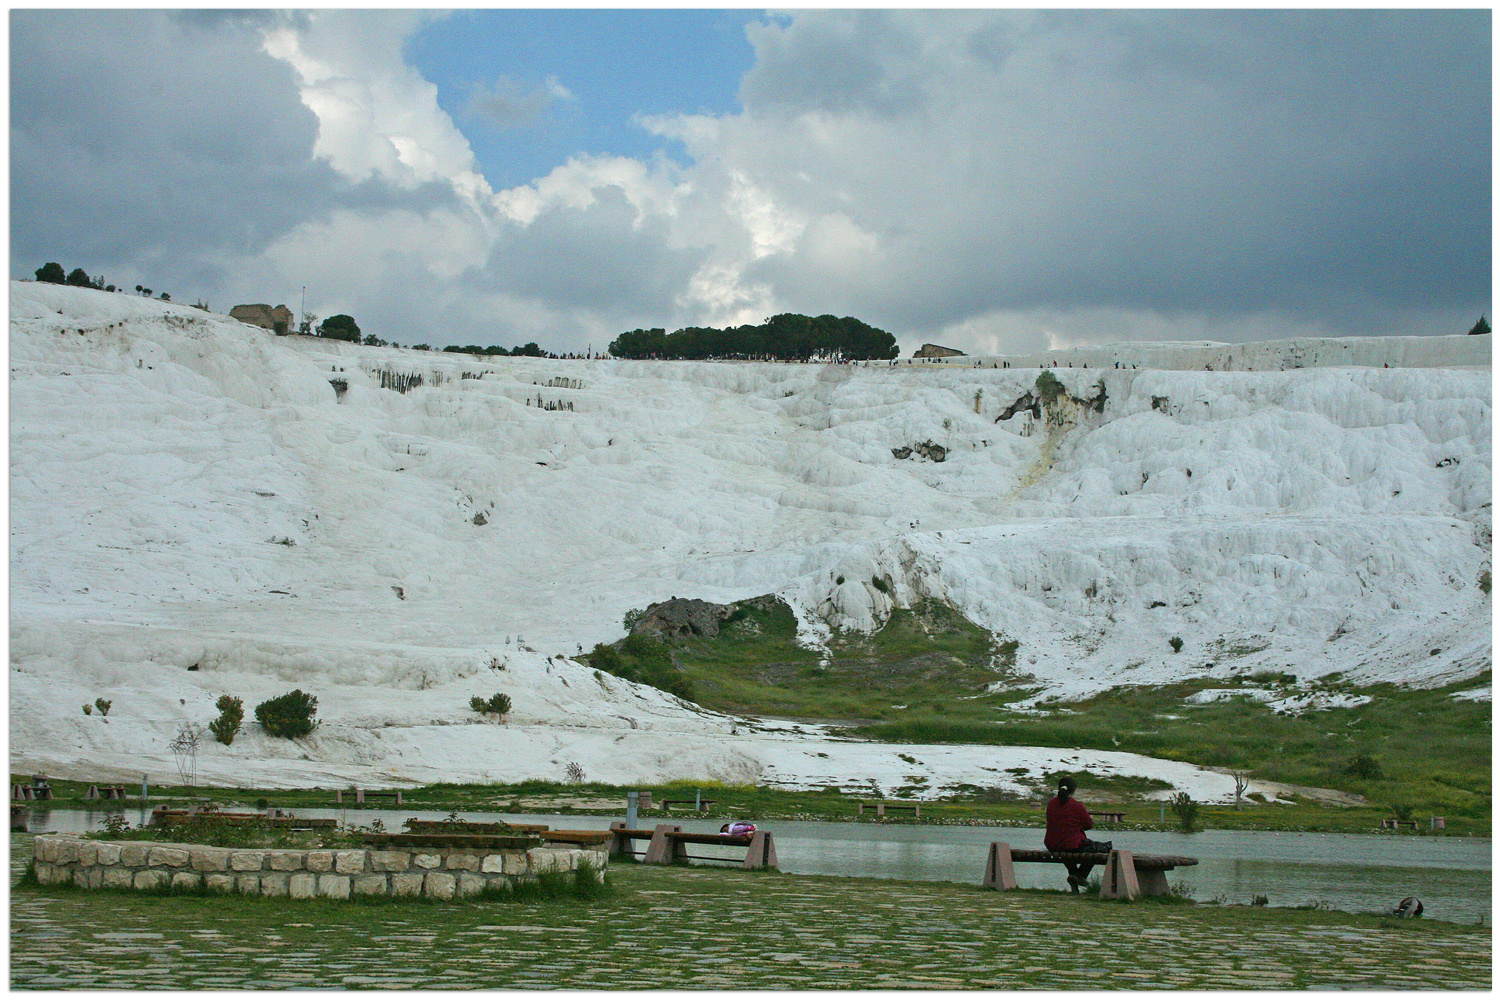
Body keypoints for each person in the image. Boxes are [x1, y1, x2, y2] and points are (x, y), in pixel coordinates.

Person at [1045, 777, 1112, 892]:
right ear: (1073, 790)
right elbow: (1089, 824)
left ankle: (1074, 881)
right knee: (1096, 850)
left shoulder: (1051, 804)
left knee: (1067, 854)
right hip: (1070, 844)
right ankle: (1080, 876)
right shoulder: (1077, 806)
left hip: (1052, 844)